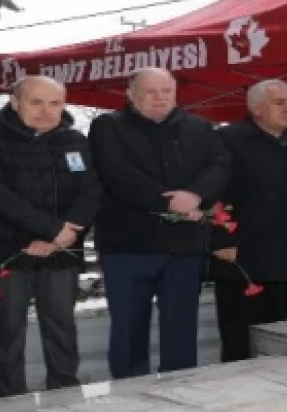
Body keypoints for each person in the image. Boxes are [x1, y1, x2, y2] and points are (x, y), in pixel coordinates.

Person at [0, 76, 103, 397]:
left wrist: (64, 234)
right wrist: (48, 230)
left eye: (55, 103)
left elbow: (92, 190)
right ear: (15, 102)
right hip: (9, 252)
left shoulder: (74, 139)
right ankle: (9, 398)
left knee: (62, 329)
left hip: (62, 251)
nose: (46, 110)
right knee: (6, 332)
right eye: (36, 102)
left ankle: (65, 393)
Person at [88, 68, 230, 379]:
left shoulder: (200, 127)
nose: (160, 97)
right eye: (150, 91)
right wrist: (168, 203)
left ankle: (180, 388)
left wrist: (196, 195)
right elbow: (115, 172)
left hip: (185, 246)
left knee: (181, 328)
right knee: (128, 329)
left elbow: (219, 166)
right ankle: (129, 392)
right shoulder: (108, 126)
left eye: (166, 90)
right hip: (128, 246)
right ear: (131, 94)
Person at [211, 80, 287, 361]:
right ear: (256, 108)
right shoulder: (227, 140)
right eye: (279, 103)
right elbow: (212, 192)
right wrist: (221, 239)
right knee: (243, 340)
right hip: (246, 258)